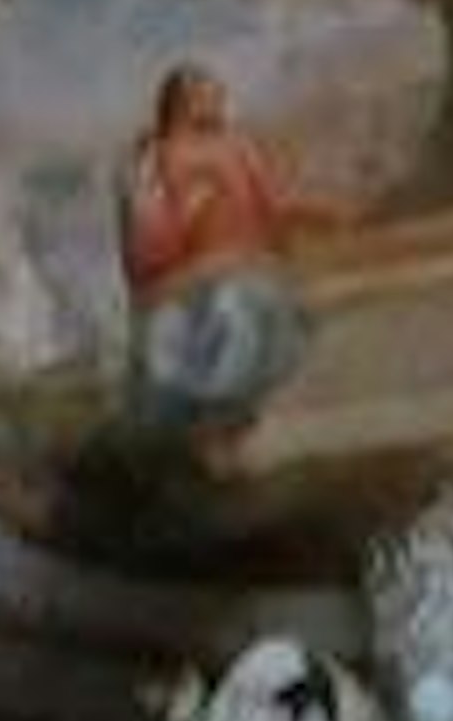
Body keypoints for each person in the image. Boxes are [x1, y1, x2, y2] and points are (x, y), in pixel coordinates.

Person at [120, 61, 329, 444]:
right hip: (190, 285)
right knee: (226, 321)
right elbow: (147, 243)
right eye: (209, 94)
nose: (220, 102)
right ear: (182, 103)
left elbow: (274, 203)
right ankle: (207, 431)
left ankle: (226, 427)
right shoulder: (156, 158)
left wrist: (321, 211)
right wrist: (188, 216)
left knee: (261, 319)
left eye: (220, 94)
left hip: (250, 272)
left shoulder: (238, 146)